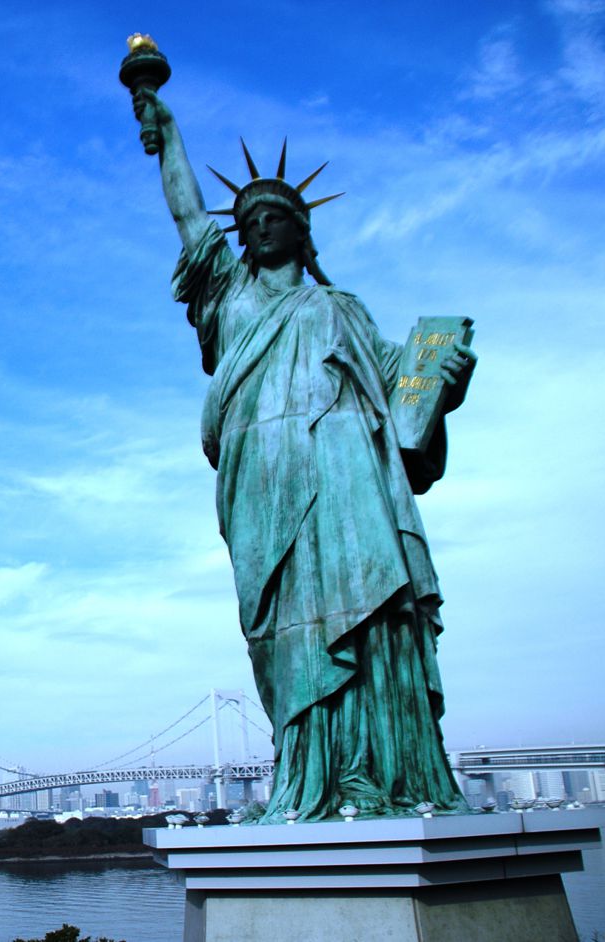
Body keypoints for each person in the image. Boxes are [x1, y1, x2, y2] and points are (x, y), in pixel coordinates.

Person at [132, 88, 475, 821]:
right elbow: (189, 216)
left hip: (346, 474)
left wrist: (447, 381)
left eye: (274, 216)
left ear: (301, 229)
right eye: (248, 220)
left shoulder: (340, 308)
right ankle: (307, 769)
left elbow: (405, 402)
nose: (259, 226)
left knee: (369, 610)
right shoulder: (227, 296)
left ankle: (379, 772)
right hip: (261, 480)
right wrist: (166, 131)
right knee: (282, 630)